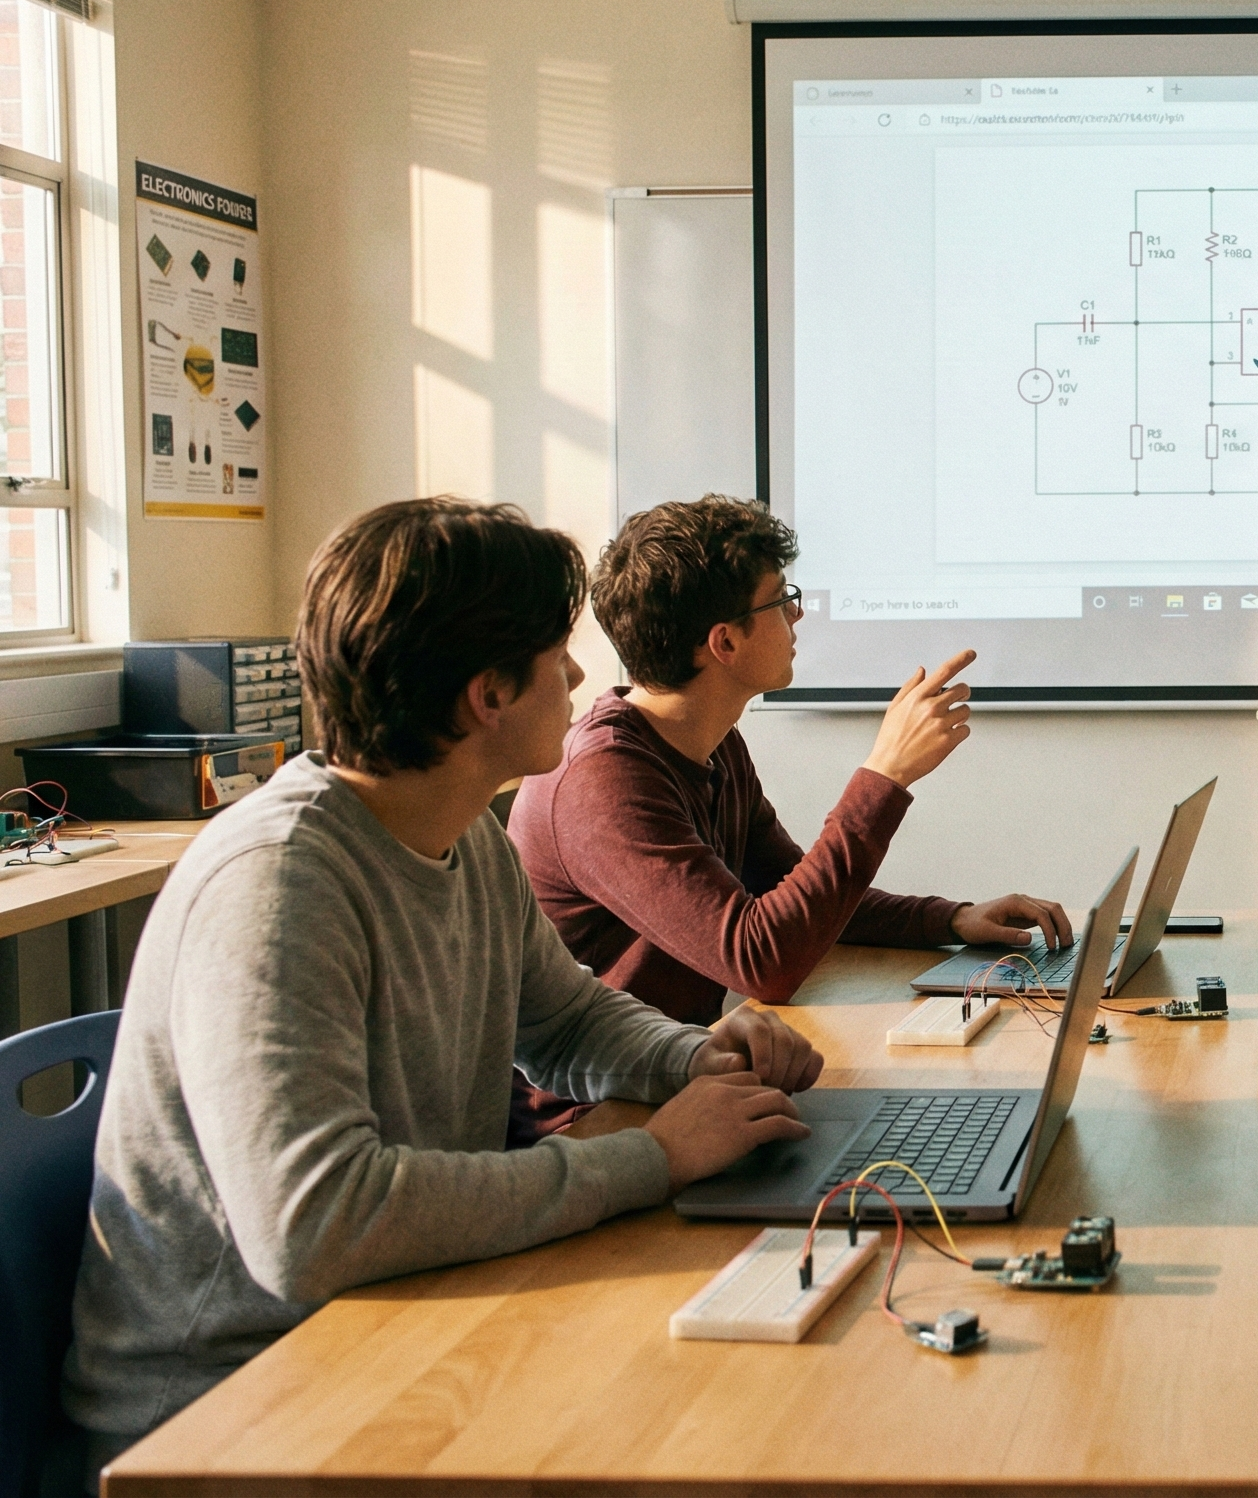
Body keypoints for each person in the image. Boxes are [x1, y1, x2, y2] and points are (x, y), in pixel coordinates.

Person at [65, 499, 821, 1458]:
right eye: (557, 654)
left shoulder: (465, 830)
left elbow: (565, 1019)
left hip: (395, 1322)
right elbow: (316, 1225)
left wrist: (696, 1057)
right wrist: (650, 1159)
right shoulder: (279, 881)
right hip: (232, 1409)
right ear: (489, 697)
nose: (582, 674)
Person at [510, 497, 1067, 1094]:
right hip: (597, 1117)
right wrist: (885, 775)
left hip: (684, 1082)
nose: (797, 616)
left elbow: (793, 898)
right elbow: (764, 960)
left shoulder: (713, 743)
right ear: (724, 643)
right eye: (781, 600)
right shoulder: (604, 782)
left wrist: (952, 918)